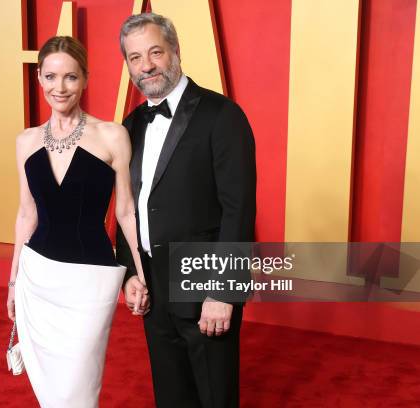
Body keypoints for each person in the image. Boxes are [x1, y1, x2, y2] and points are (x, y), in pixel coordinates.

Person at [116, 13, 256, 408]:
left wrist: (223, 292)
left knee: (215, 396)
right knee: (171, 395)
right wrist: (129, 271)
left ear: (175, 51)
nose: (146, 66)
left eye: (155, 52)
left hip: (203, 280)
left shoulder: (222, 116)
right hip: (152, 287)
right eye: (135, 57)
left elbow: (239, 210)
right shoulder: (129, 126)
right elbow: (127, 206)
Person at [5, 36, 149, 408]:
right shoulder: (26, 141)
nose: (60, 87)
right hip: (37, 279)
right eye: (51, 77)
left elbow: (126, 211)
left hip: (90, 280)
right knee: (51, 392)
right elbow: (26, 214)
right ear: (39, 78)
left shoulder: (112, 135)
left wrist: (140, 272)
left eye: (70, 77)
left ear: (85, 78)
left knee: (79, 387)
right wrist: (12, 281)